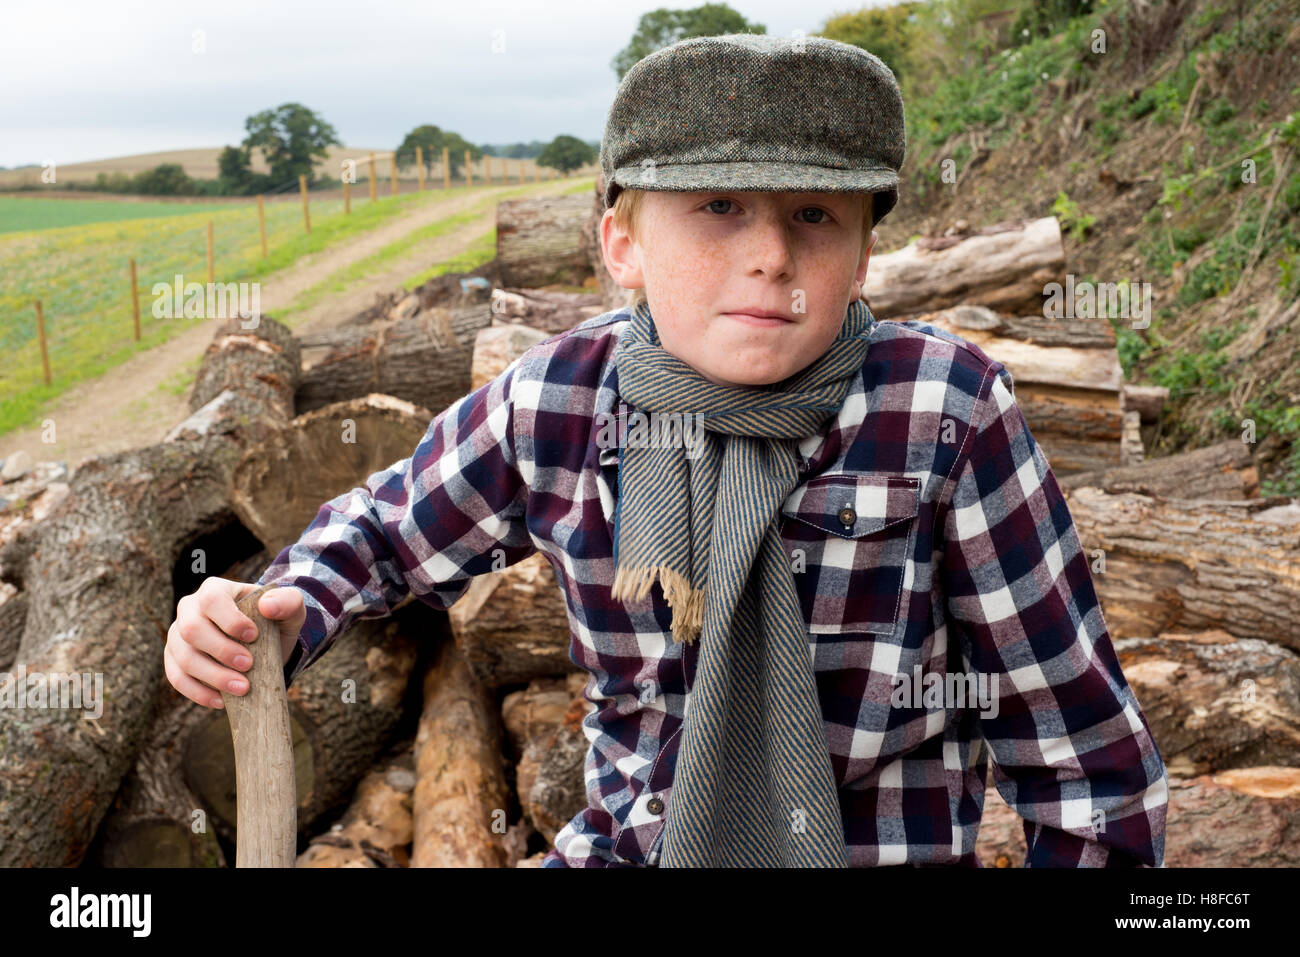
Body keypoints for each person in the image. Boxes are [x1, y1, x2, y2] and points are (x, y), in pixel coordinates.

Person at [165, 33, 1168, 868]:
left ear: (865, 251)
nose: (769, 254)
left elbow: (1079, 758)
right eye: (719, 208)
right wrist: (281, 609)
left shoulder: (941, 410)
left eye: (813, 215)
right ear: (622, 244)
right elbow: (383, 531)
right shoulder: (557, 403)